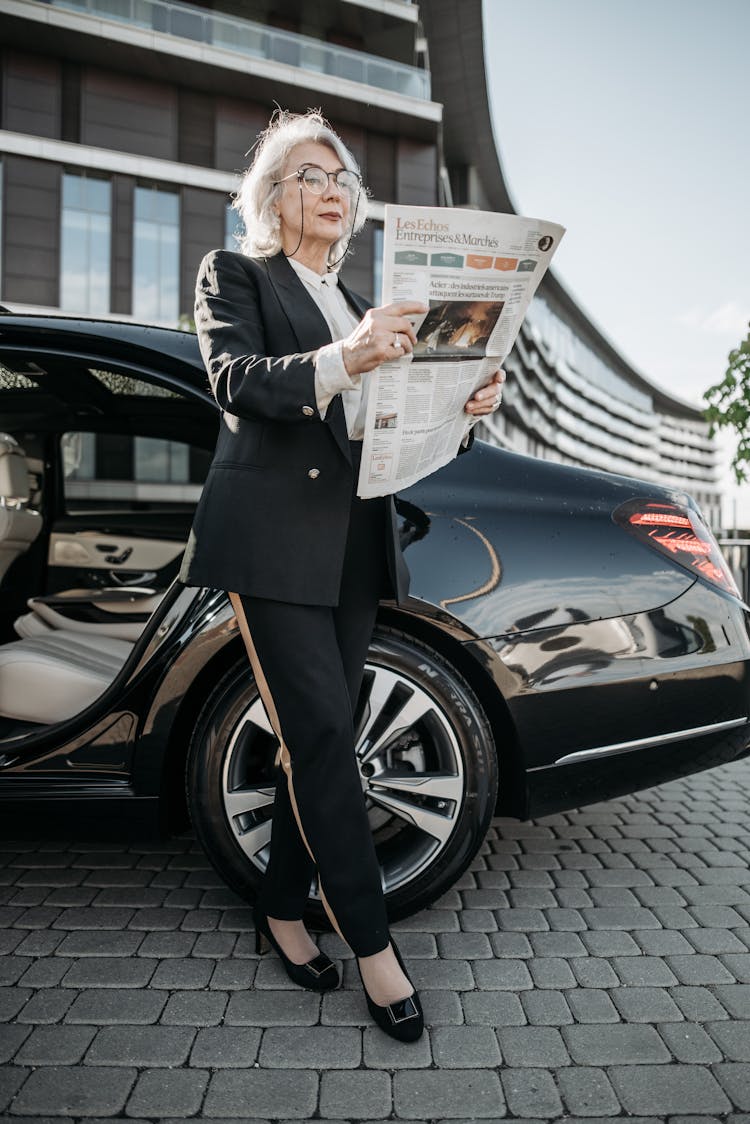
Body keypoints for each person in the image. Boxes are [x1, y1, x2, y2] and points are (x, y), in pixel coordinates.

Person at [179, 109, 504, 1042]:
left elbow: (389, 438)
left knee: (318, 736)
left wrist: (465, 407)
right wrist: (348, 354)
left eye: (344, 181)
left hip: (355, 544)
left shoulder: (362, 299)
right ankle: (373, 945)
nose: (335, 190)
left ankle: (282, 905)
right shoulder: (233, 273)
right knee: (324, 737)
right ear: (273, 194)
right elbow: (236, 380)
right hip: (271, 543)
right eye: (315, 175)